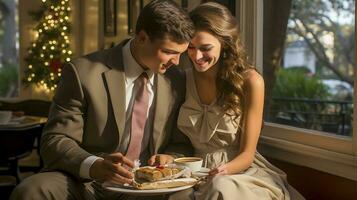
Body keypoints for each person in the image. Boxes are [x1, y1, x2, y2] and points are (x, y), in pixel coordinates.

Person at [10, 0, 194, 199]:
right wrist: (94, 166)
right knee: (32, 190)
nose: (175, 62)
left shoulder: (176, 79)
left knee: (184, 194)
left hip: (150, 186)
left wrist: (170, 158)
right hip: (89, 183)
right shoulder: (82, 72)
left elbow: (180, 143)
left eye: (180, 54)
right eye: (169, 52)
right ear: (141, 38)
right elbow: (55, 140)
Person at [167, 2, 305, 200]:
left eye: (205, 48)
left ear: (225, 42)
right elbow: (178, 142)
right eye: (191, 47)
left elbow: (247, 155)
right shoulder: (182, 78)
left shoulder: (251, 81)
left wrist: (219, 172)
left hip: (238, 171)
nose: (197, 56)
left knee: (220, 187)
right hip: (193, 171)